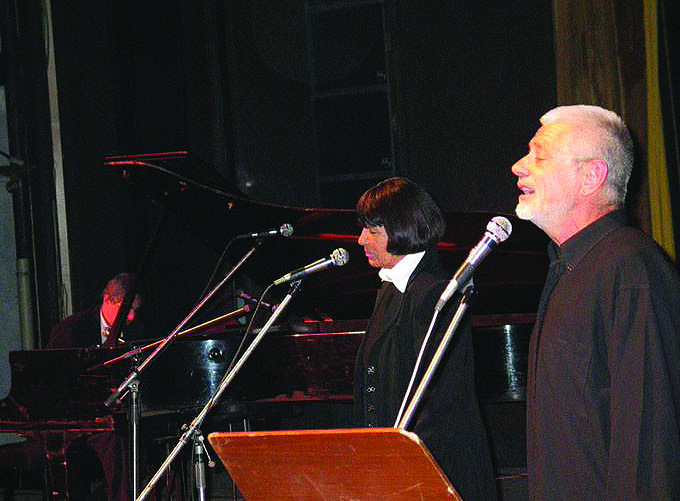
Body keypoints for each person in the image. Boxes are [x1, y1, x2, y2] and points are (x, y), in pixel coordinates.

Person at [511, 104, 680, 499]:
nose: (519, 167)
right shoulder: (572, 266)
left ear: (591, 176)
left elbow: (648, 443)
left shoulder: (631, 268)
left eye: (539, 155)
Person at [353, 177, 498, 500]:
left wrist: (407, 470)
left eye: (372, 231)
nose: (361, 239)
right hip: (395, 470)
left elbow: (441, 403)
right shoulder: (390, 288)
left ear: (403, 229)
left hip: (434, 472)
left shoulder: (436, 292)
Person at [46, 272, 143, 500]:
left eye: (134, 311)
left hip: (115, 413)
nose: (130, 317)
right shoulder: (71, 330)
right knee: (115, 436)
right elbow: (57, 382)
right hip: (74, 417)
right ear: (107, 299)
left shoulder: (135, 331)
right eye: (126, 309)